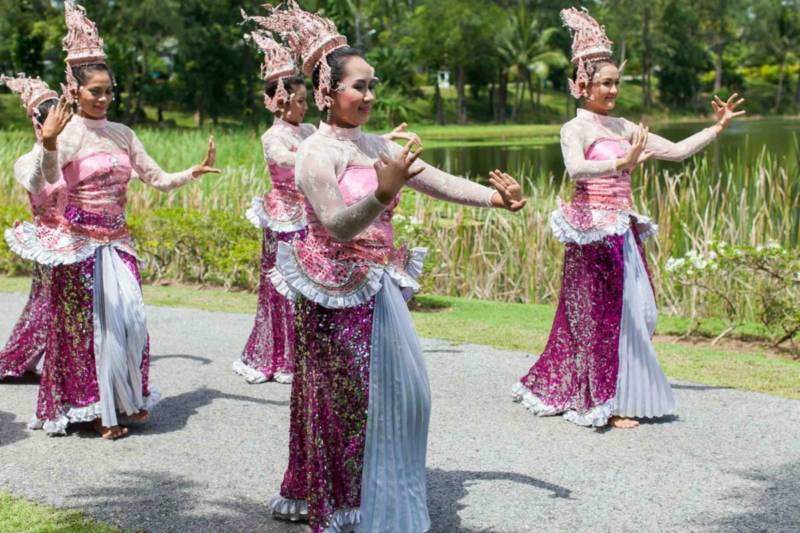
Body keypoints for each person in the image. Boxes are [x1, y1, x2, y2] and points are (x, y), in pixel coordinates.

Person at [259, 4, 526, 531]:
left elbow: (437, 179)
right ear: (326, 93)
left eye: (372, 86)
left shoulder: (378, 145)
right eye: (358, 86)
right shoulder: (315, 153)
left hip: (377, 283)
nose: (369, 96)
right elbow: (336, 225)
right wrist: (383, 193)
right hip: (331, 287)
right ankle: (342, 502)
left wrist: (496, 200)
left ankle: (380, 488)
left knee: (407, 394)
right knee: (345, 400)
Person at [512, 7, 745, 429]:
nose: (614, 90)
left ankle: (621, 391)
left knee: (643, 310)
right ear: (583, 85)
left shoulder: (623, 126)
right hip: (591, 230)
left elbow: (674, 151)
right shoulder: (575, 129)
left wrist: (717, 129)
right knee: (606, 316)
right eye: (606, 83)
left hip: (621, 229)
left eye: (617, 82)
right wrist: (623, 161)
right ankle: (607, 401)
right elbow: (576, 171)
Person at [7, 1, 220, 439]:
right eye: (95, 92)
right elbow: (44, 178)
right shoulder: (65, 134)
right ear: (75, 91)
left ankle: (125, 400)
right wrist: (47, 144)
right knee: (93, 330)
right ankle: (99, 412)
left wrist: (191, 172)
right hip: (78, 243)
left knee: (131, 322)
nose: (104, 98)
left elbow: (155, 178)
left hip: (118, 242)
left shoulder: (123, 133)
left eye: (108, 90)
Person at [234, 23, 420, 385]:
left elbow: (346, 146)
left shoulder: (310, 133)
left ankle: (294, 355)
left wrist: (381, 141)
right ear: (279, 101)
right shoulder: (279, 138)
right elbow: (296, 159)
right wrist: (376, 185)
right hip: (288, 218)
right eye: (297, 101)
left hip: (323, 224)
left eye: (305, 101)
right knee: (279, 292)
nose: (301, 107)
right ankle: (278, 354)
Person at [0, 75, 63, 380]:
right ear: (39, 125)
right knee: (45, 302)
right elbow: (38, 182)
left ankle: (62, 360)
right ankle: (28, 358)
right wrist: (47, 144)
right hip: (48, 242)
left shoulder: (71, 154)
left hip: (79, 239)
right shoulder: (27, 161)